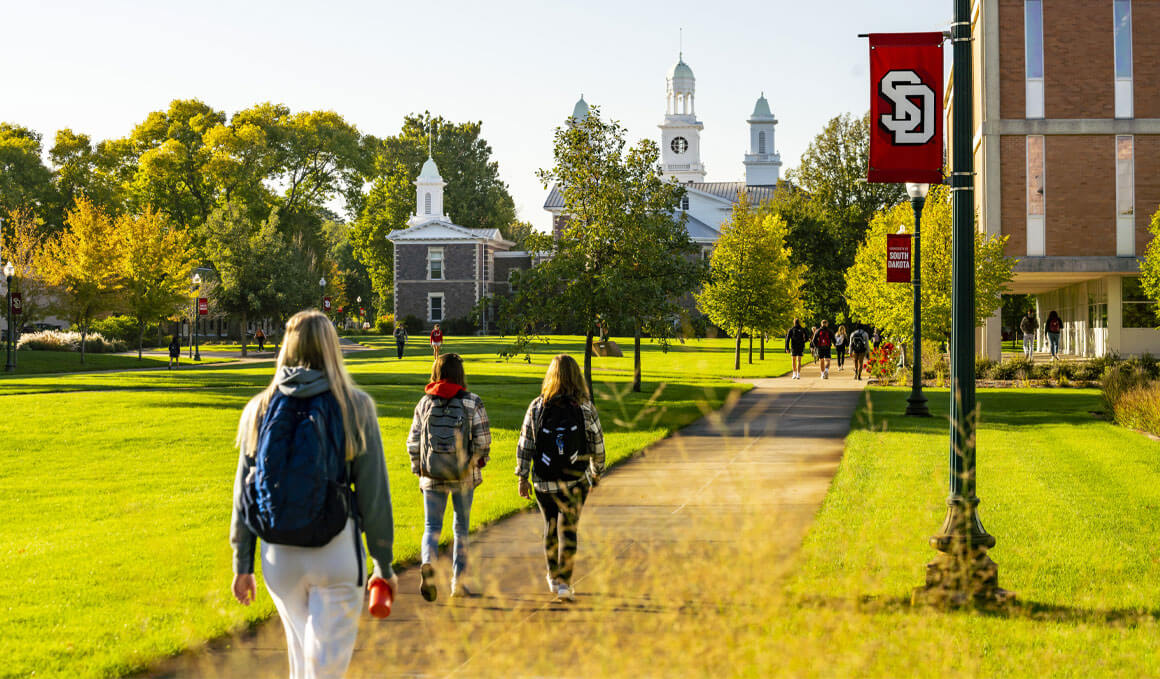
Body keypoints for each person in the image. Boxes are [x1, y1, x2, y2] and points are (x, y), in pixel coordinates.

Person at [229, 310, 396, 679]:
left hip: (278, 556)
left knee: (301, 662)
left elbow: (244, 494)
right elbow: (373, 494)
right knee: (324, 670)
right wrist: (383, 562)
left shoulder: (259, 408)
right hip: (334, 550)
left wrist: (242, 564)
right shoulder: (354, 406)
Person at [516, 354, 605, 602]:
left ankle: (552, 576)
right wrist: (597, 473)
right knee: (570, 528)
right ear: (577, 377)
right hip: (575, 479)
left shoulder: (537, 406)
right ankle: (565, 583)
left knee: (550, 526)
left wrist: (522, 476)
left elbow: (525, 444)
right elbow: (598, 445)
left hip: (543, 480)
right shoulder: (585, 407)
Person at [406, 353, 491, 601]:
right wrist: (475, 462)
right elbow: (483, 441)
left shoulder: (424, 403)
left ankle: (428, 562)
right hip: (463, 475)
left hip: (431, 474)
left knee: (431, 527)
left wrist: (418, 469)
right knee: (461, 528)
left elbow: (413, 442)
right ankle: (458, 583)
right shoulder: (472, 402)